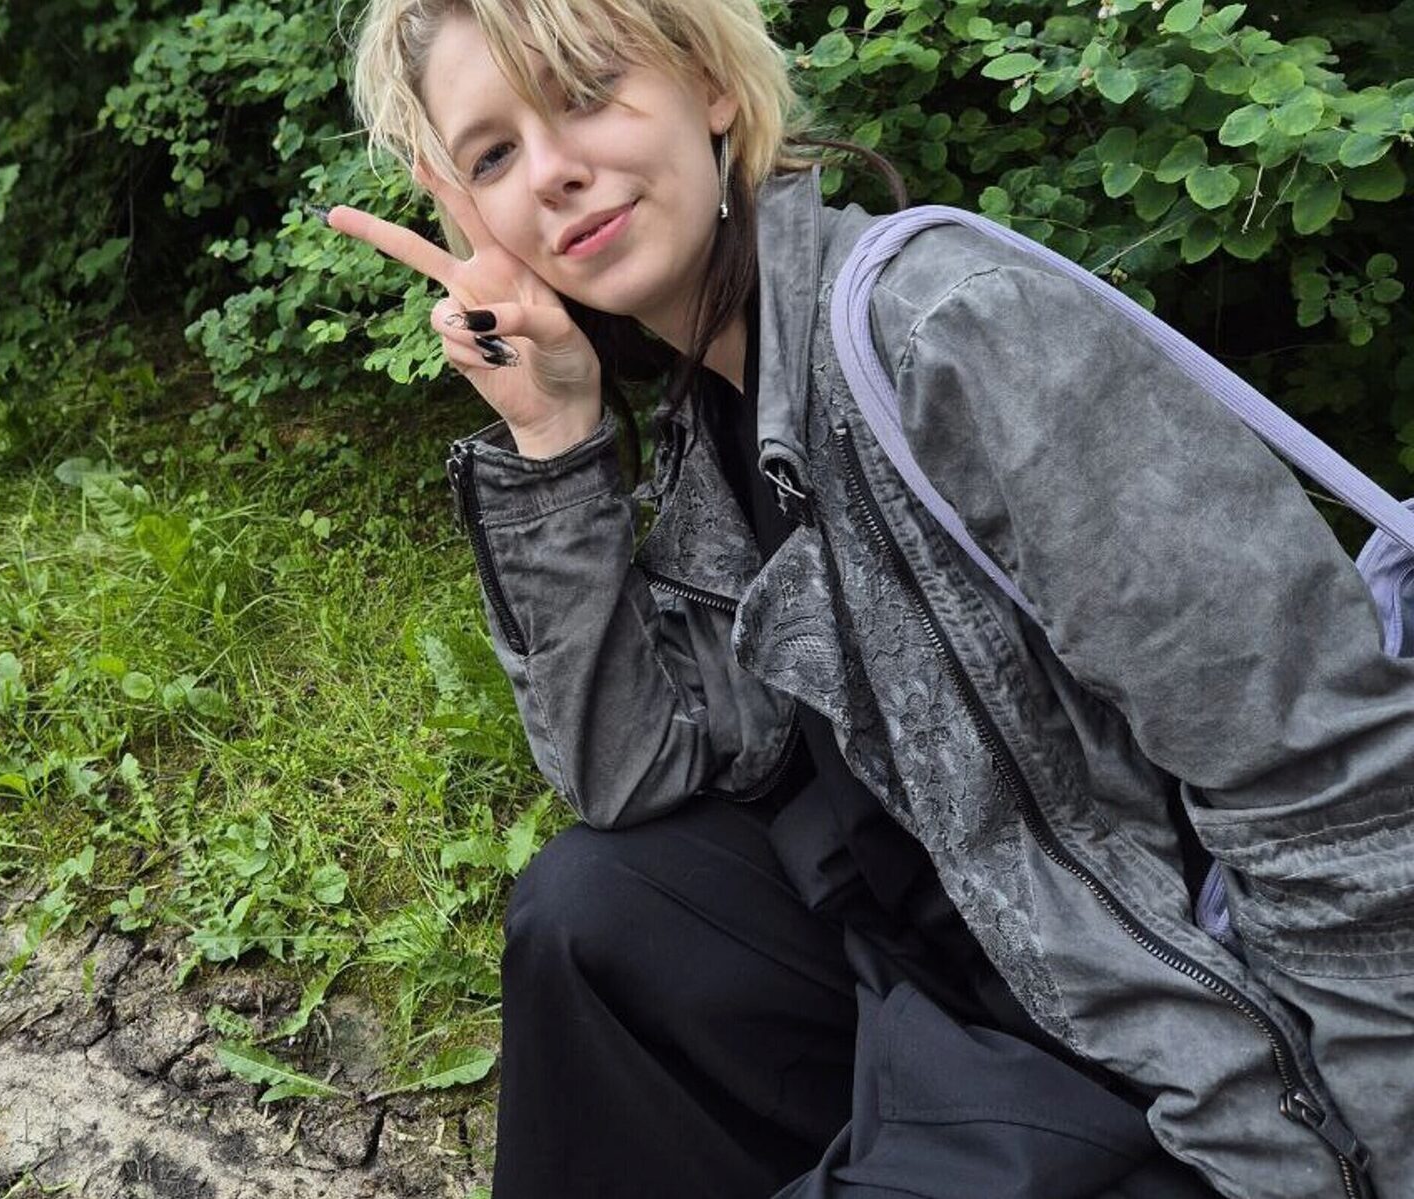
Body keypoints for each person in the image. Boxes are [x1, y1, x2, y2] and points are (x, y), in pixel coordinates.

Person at [330, 2, 1414, 1197]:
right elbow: (628, 773)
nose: (551, 170)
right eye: (493, 155)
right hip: (956, 986)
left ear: (710, 87)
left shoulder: (951, 331)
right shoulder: (717, 411)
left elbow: (1330, 788)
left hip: (1168, 1043)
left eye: (585, 90)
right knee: (592, 910)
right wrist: (552, 432)